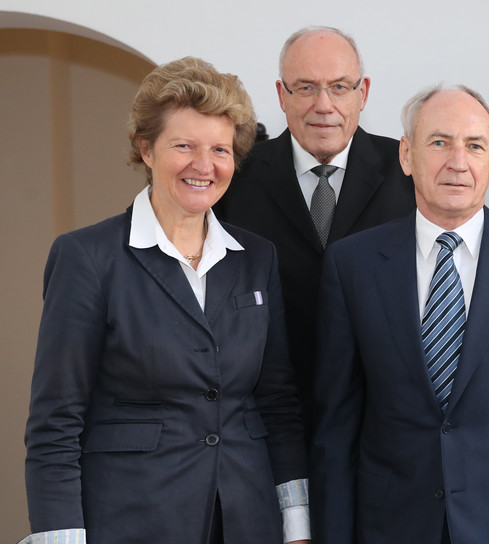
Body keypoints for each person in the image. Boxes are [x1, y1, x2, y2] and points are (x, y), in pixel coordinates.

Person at [21, 58, 308, 544]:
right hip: (131, 517)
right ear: (146, 149)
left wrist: (296, 521)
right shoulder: (87, 258)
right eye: (184, 146)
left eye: (220, 149)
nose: (204, 165)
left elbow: (276, 403)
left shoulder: (257, 258)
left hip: (247, 517)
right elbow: (56, 420)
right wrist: (59, 535)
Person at [310, 84, 489, 544]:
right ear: (406, 155)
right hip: (389, 527)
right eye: (439, 142)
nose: (457, 161)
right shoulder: (352, 265)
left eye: (474, 145)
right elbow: (335, 426)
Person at [214, 26, 415, 427]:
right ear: (281, 95)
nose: (324, 105)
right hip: (263, 420)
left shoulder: (409, 170)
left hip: (386, 424)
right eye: (305, 87)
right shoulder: (235, 175)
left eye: (340, 87)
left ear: (364, 92)